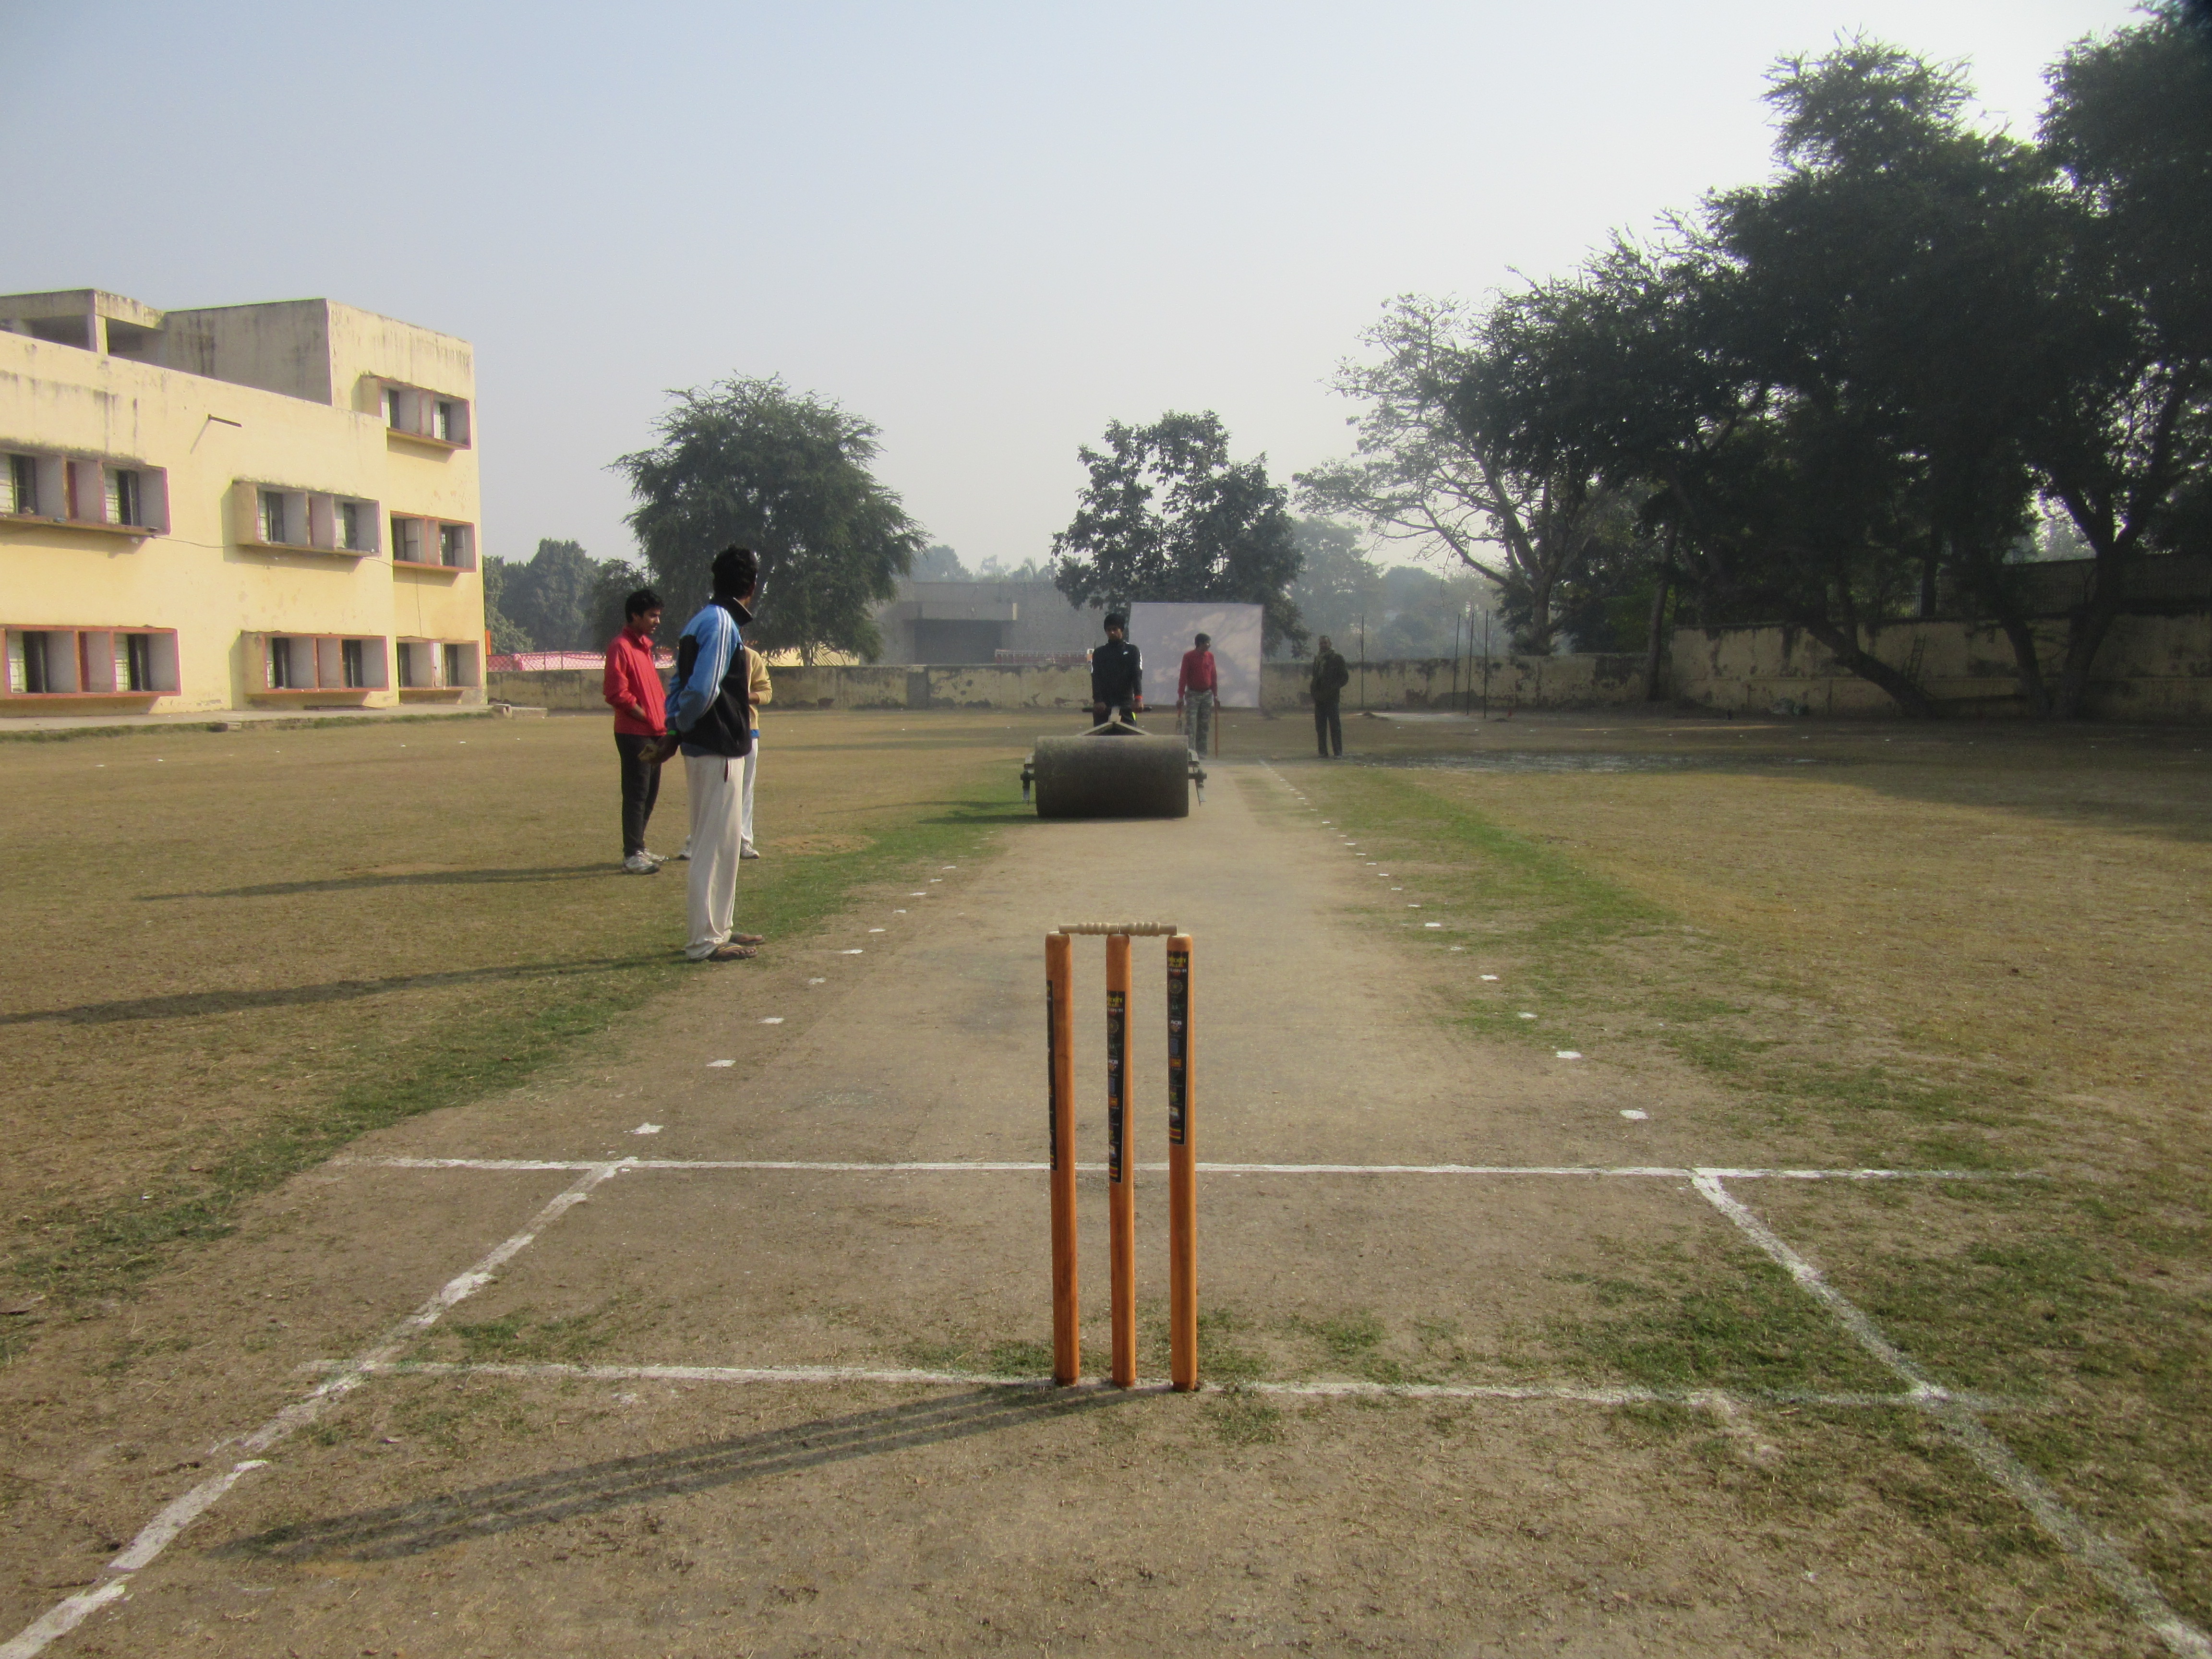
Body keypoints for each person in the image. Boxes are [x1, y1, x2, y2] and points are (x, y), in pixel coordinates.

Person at [669, 546, 766, 962]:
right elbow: (703, 689)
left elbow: (678, 683)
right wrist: (680, 724)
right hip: (718, 746)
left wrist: (675, 726)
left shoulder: (700, 621)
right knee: (713, 844)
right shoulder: (723, 624)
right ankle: (704, 941)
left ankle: (718, 927)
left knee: (724, 842)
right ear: (751, 586)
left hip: (705, 746)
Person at [602, 588, 669, 873]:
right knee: (637, 792)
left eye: (658, 616)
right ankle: (632, 854)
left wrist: (660, 723)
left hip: (655, 731)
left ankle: (639, 846)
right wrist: (645, 718)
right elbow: (617, 693)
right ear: (635, 615)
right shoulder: (621, 646)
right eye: (652, 616)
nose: (657, 621)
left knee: (650, 792)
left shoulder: (644, 648)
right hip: (633, 732)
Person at [739, 643, 771, 859]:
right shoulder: (707, 653)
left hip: (747, 729)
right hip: (714, 730)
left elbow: (766, 692)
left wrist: (742, 697)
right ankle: (696, 841)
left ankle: (743, 841)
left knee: (745, 789)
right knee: (711, 789)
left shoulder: (750, 657)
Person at [1091, 612, 1143, 725]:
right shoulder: (1099, 653)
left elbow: (1137, 675)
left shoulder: (1133, 651)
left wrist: (1138, 699)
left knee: (1129, 739)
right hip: (1104, 706)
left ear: (1122, 630)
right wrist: (1098, 700)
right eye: (1109, 630)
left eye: (1115, 629)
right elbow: (1096, 677)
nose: (1112, 633)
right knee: (1101, 740)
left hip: (1126, 706)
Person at [1176, 631, 1217, 756]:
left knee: (1204, 724)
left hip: (1207, 694)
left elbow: (1214, 675)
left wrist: (1216, 695)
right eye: (1207, 643)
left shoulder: (1210, 656)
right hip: (1193, 694)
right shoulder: (1189, 657)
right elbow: (1183, 676)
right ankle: (1190, 752)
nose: (1209, 645)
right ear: (1200, 644)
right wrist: (1181, 696)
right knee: (1191, 724)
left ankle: (1202, 752)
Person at [1311, 634, 1349, 757]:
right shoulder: (1318, 659)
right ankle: (1323, 752)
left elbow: (1344, 678)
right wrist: (1314, 692)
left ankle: (1338, 752)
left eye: (1325, 643)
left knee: (1335, 726)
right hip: (1320, 698)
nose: (1323, 645)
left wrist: (1333, 687)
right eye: (1321, 643)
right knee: (1320, 727)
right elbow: (1315, 677)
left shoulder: (1337, 658)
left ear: (1330, 644)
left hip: (1332, 698)